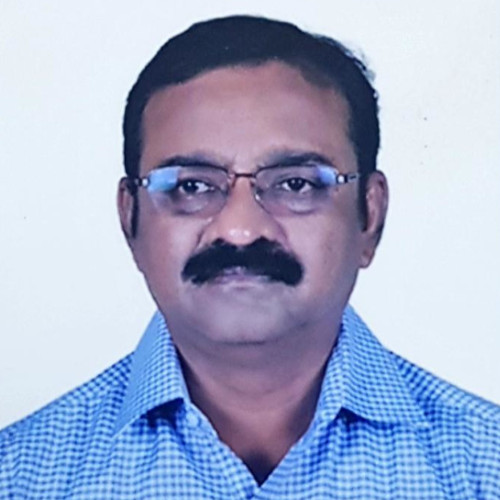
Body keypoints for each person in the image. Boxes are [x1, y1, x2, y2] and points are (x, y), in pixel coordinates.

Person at [1, 14, 498, 499]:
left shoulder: (485, 468)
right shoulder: (19, 478)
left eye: (296, 184)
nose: (240, 229)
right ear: (130, 217)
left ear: (370, 216)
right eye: (192, 186)